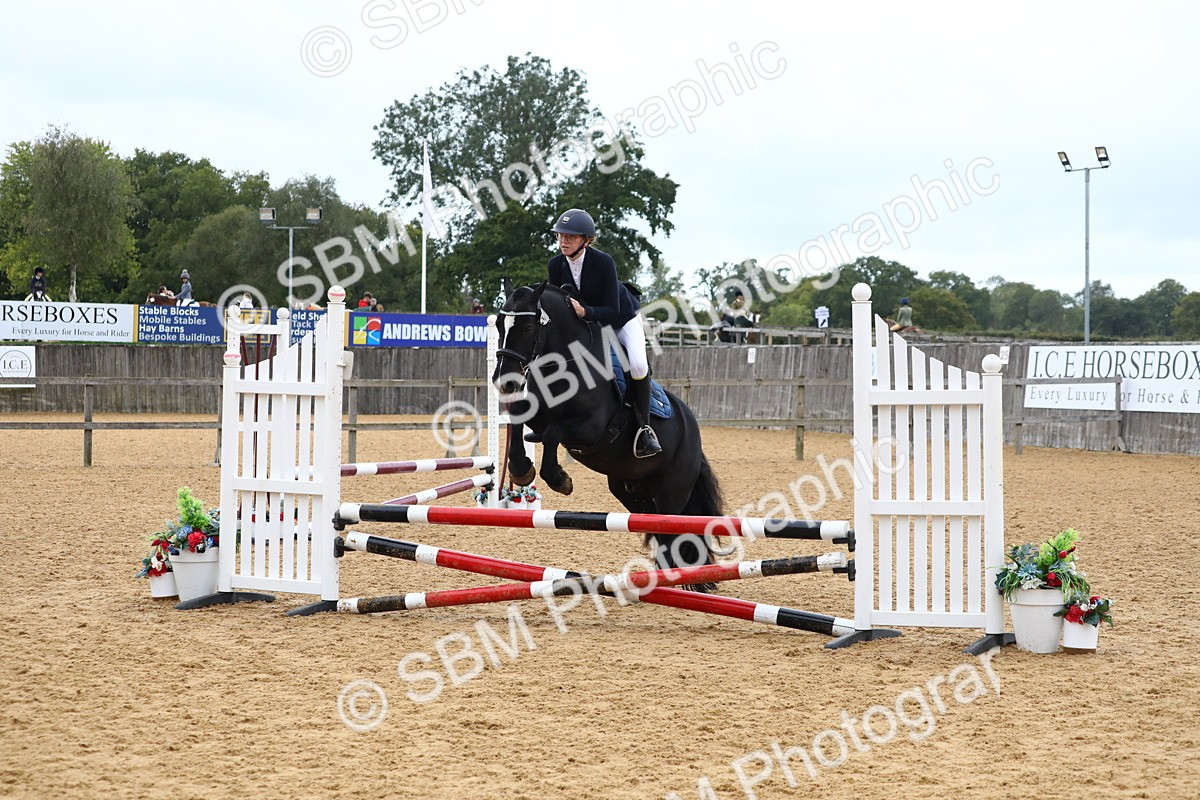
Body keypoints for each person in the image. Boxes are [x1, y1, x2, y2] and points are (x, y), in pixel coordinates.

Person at [546, 207, 661, 458]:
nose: (563, 241)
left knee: (639, 365)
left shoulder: (603, 262)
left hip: (621, 319)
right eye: (560, 236)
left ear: (586, 240)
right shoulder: (555, 265)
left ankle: (644, 430)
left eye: (570, 237)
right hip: (589, 323)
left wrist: (584, 312)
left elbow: (612, 309)